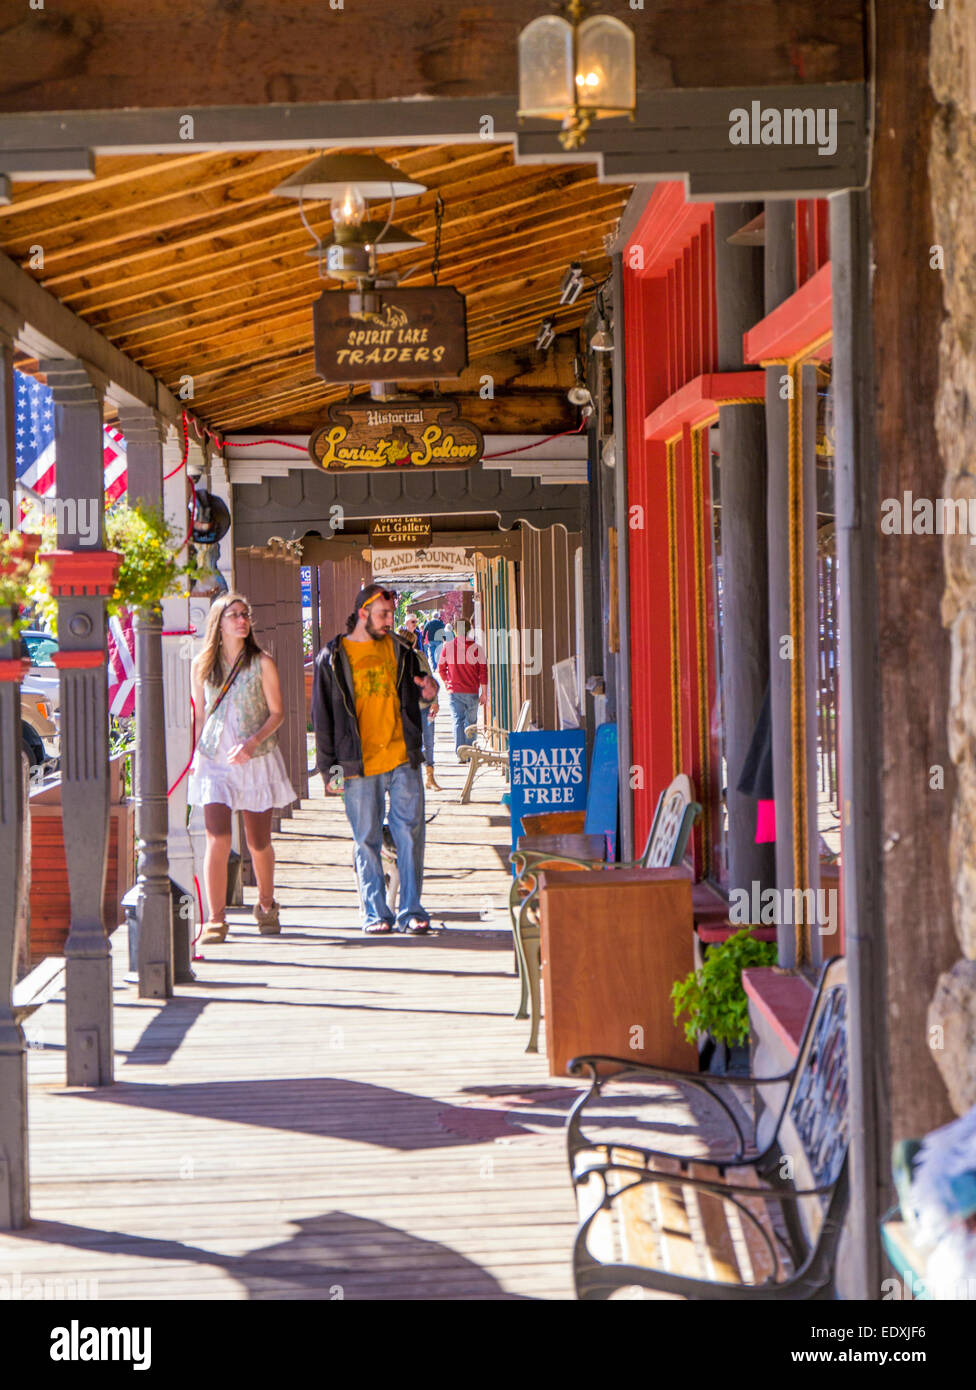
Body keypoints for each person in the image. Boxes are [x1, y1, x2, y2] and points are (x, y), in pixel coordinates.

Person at [312, 583, 439, 935]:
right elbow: (322, 718)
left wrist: (429, 693)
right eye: (383, 614)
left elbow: (424, 692)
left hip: (403, 758)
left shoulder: (401, 650)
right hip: (357, 764)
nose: (389, 621)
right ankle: (375, 912)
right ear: (363, 612)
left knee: (410, 835)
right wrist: (329, 770)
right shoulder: (333, 657)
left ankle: (411, 910)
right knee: (366, 839)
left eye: (392, 614)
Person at [188, 592, 296, 944]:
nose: (241, 620)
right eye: (233, 615)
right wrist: (194, 755)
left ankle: (266, 904)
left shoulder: (262, 662)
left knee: (258, 841)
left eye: (244, 614)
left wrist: (251, 742)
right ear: (218, 623)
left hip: (255, 759)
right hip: (214, 761)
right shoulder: (202, 665)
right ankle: (215, 919)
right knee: (217, 838)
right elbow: (200, 714)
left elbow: (277, 713)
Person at [399, 615, 442, 791]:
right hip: (410, 709)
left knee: (428, 741)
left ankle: (429, 776)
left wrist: (435, 701)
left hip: (424, 707)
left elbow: (430, 678)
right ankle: (413, 778)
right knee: (419, 742)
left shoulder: (420, 657)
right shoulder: (397, 661)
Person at [438, 620, 488, 756]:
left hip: (454, 691)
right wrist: (484, 693)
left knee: (458, 721)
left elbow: (441, 668)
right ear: (469, 630)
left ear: (454, 630)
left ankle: (461, 754)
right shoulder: (477, 649)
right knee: (471, 723)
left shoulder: (448, 647)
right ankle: (471, 753)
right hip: (471, 691)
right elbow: (483, 672)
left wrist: (447, 683)